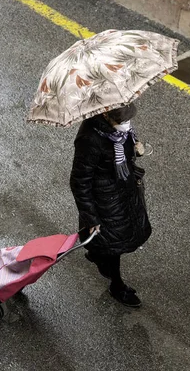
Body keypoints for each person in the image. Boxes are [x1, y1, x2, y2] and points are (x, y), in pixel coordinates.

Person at [70, 103, 151, 307]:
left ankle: (96, 253)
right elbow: (79, 182)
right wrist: (91, 217)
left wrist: (136, 150)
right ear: (106, 114)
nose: (126, 125)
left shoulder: (117, 131)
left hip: (123, 193)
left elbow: (122, 152)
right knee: (113, 246)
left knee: (114, 240)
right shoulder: (89, 140)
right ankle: (117, 286)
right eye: (121, 121)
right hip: (105, 203)